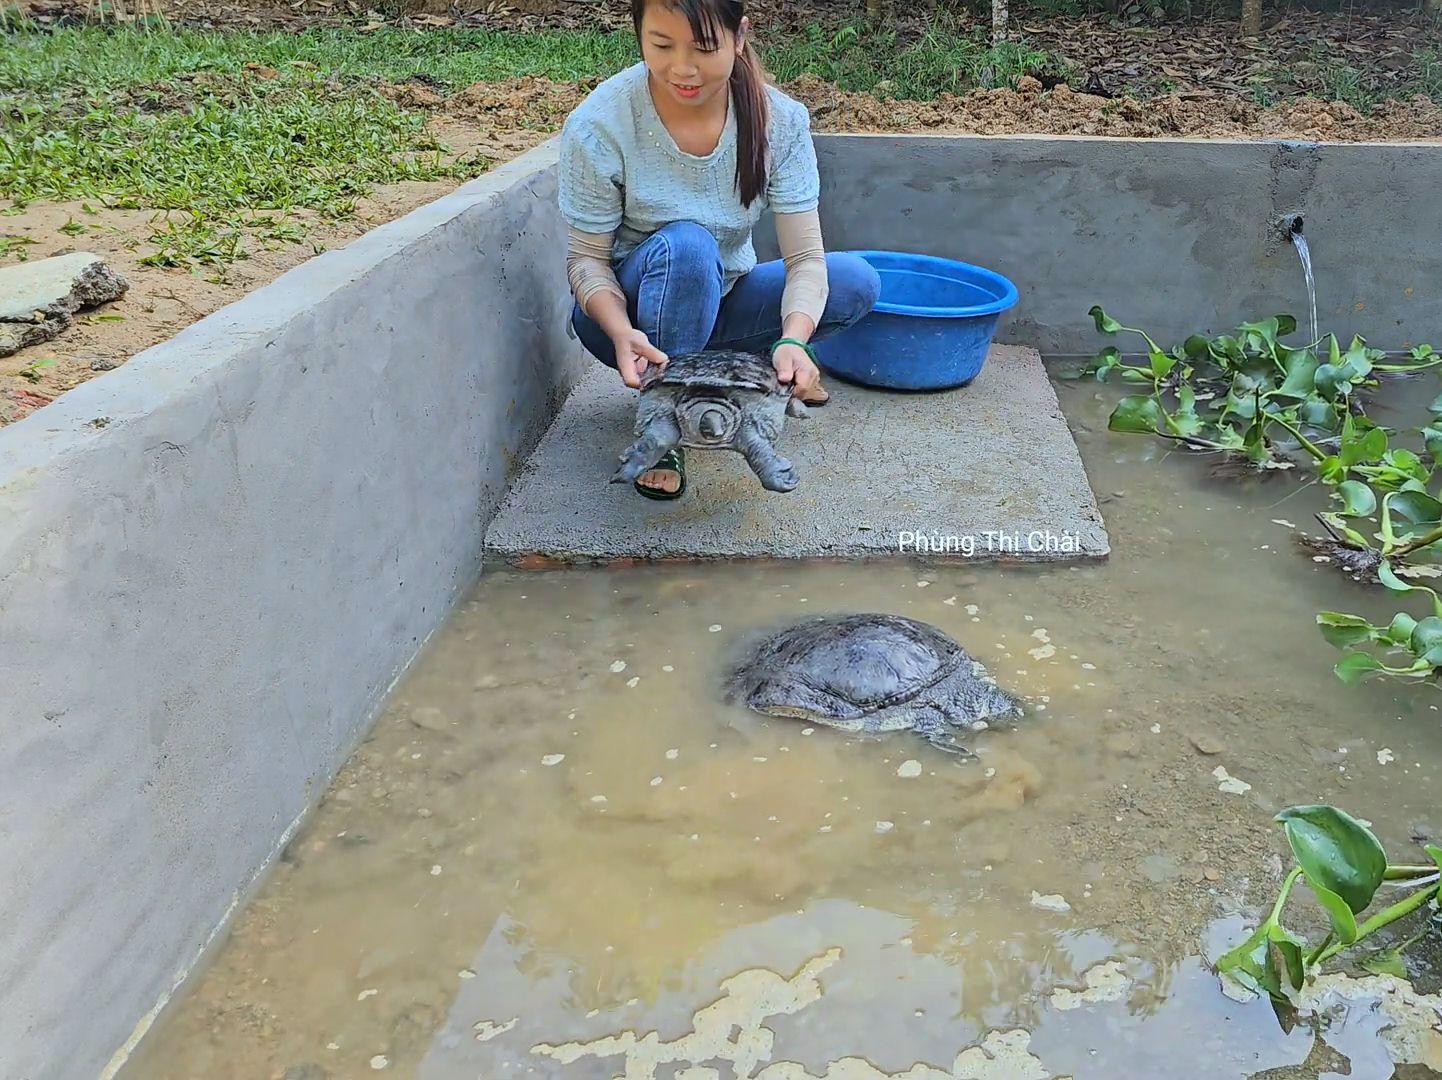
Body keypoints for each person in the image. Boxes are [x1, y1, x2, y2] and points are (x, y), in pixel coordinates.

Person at [558, 0, 881, 499]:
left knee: (856, 280)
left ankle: (761, 367)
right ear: (639, 35)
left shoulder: (781, 121)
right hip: (632, 323)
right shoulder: (601, 125)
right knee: (688, 245)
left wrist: (794, 339)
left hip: (725, 295)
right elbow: (587, 262)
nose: (682, 68)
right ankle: (664, 426)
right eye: (661, 46)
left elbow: (805, 261)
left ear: (739, 37)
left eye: (704, 48)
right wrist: (620, 330)